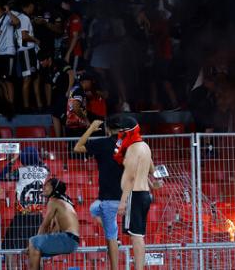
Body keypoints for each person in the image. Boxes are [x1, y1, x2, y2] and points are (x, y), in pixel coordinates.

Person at [113, 115, 161, 270]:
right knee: (138, 234)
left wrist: (123, 201)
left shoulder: (133, 148)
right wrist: (154, 184)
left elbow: (131, 177)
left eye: (121, 130)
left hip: (135, 194)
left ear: (127, 131)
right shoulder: (145, 146)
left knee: (136, 236)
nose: (119, 133)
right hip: (145, 194)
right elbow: (151, 169)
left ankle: (139, 268)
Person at [74, 119, 123, 270]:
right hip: (127, 196)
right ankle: (114, 234)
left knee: (111, 238)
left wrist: (91, 128)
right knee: (94, 209)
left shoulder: (103, 143)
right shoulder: (128, 145)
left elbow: (77, 147)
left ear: (107, 130)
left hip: (110, 199)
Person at [0, 146, 48, 253]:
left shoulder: (20, 172)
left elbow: (2, 176)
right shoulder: (44, 171)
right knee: (37, 248)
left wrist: (13, 160)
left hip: (22, 217)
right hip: (37, 217)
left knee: (8, 246)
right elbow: (41, 164)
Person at [26, 178, 80, 270]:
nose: (44, 187)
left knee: (33, 242)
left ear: (54, 189)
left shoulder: (53, 201)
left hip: (68, 239)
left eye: (47, 185)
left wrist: (35, 242)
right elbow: (56, 229)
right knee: (35, 249)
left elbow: (44, 225)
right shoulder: (63, 202)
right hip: (72, 241)